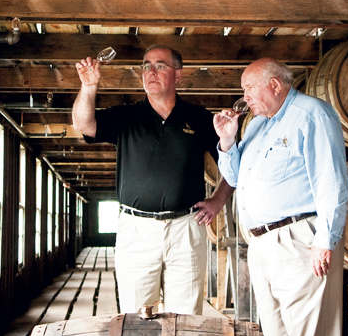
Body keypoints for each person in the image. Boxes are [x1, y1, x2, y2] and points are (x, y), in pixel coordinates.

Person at [213, 58, 348, 336]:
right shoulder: (257, 125)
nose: (245, 98)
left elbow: (331, 179)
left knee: (311, 333)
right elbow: (236, 177)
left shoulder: (312, 114)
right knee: (280, 335)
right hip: (262, 243)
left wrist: (325, 240)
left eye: (249, 89)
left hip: (298, 237)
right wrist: (227, 141)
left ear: (274, 84)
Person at [73, 45, 233, 315]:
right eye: (146, 66)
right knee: (136, 316)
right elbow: (83, 124)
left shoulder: (201, 119)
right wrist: (89, 87)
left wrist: (218, 200)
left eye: (160, 65)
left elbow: (233, 165)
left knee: (185, 318)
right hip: (136, 228)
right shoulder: (127, 116)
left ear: (178, 75)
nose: (151, 71)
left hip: (186, 227)